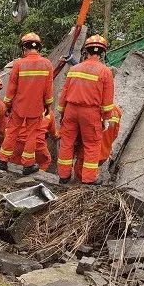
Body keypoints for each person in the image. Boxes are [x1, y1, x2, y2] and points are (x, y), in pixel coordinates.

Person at [56, 35, 116, 184]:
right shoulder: (105, 72)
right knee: (92, 145)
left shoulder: (74, 69)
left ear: (86, 51)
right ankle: (88, 179)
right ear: (102, 53)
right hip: (90, 113)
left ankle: (63, 177)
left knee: (67, 143)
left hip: (70, 109)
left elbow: (64, 93)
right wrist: (106, 118)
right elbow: (107, 101)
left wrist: (62, 112)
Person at [0, 32, 55, 175]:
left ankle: (2, 160)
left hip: (18, 106)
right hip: (36, 107)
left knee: (12, 132)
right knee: (32, 134)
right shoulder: (47, 64)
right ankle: (28, 164)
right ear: (39, 48)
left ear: (24, 48)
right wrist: (48, 105)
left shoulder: (19, 64)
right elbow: (48, 89)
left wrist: (7, 105)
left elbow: (11, 89)